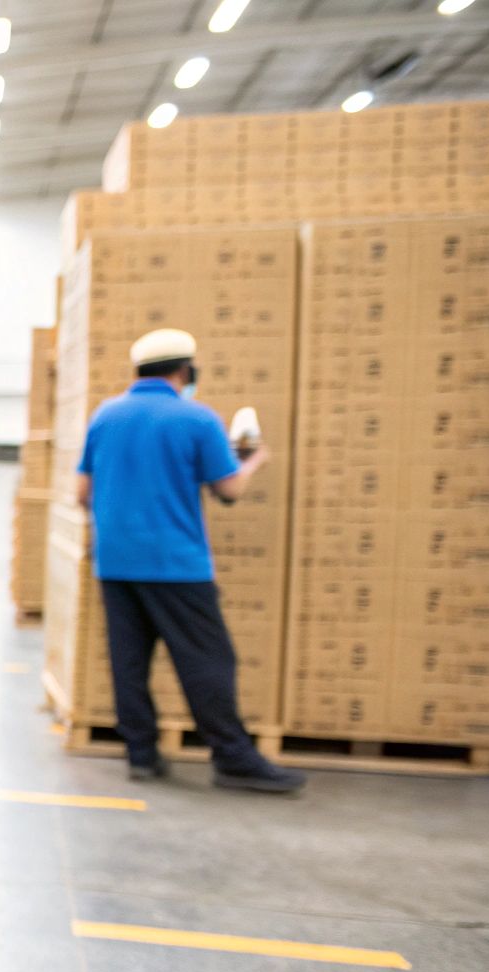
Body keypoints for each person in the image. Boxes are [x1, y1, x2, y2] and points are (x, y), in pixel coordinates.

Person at [76, 328, 305, 794]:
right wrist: (254, 460)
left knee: (130, 661)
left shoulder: (105, 416)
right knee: (208, 660)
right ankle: (233, 757)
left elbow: (81, 492)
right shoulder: (197, 420)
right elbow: (228, 490)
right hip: (176, 563)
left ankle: (141, 755)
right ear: (185, 371)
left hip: (115, 562)